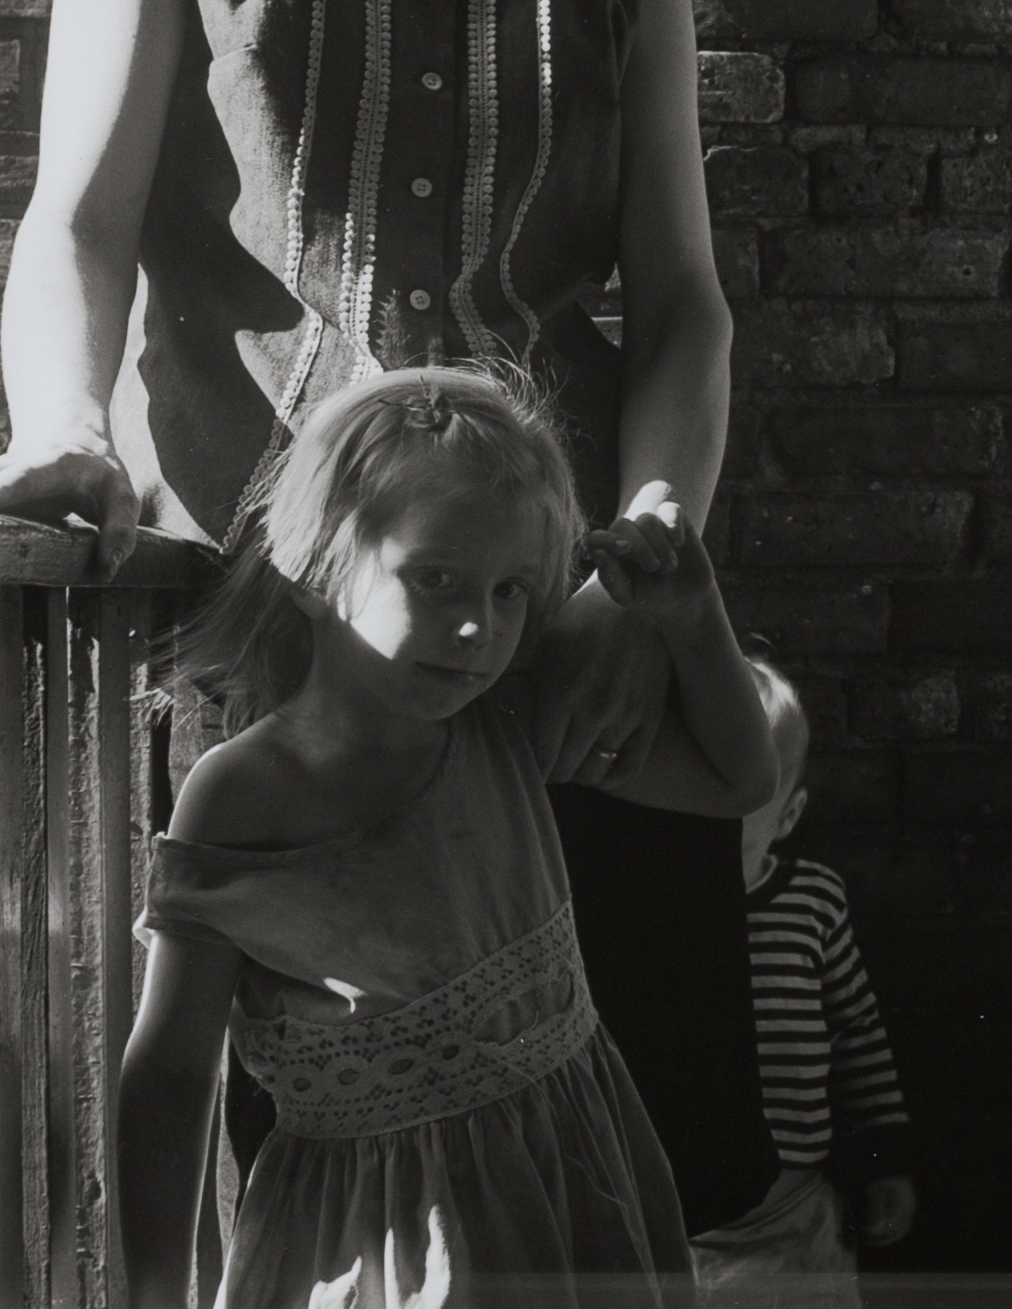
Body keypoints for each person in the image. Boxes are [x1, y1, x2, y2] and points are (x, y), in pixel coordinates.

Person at [0, 0, 778, 1231]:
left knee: (575, 1151)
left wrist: (653, 525)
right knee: (274, 1154)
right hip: (251, 630)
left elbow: (682, 310)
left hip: (533, 636)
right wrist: (59, 430)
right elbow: (77, 224)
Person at [116, 365, 779, 1309]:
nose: (477, 626)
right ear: (310, 566)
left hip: (567, 1186)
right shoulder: (244, 794)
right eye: (435, 579)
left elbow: (737, 779)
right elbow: (173, 1069)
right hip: (379, 1234)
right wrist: (152, 1295)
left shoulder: (509, 723)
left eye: (511, 591)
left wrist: (689, 613)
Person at [691, 659, 916, 1306]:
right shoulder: (630, 915)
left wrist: (885, 1158)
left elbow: (856, 1032)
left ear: (786, 816)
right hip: (660, 1225)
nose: (708, 815)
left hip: (790, 1218)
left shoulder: (810, 901)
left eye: (738, 798)